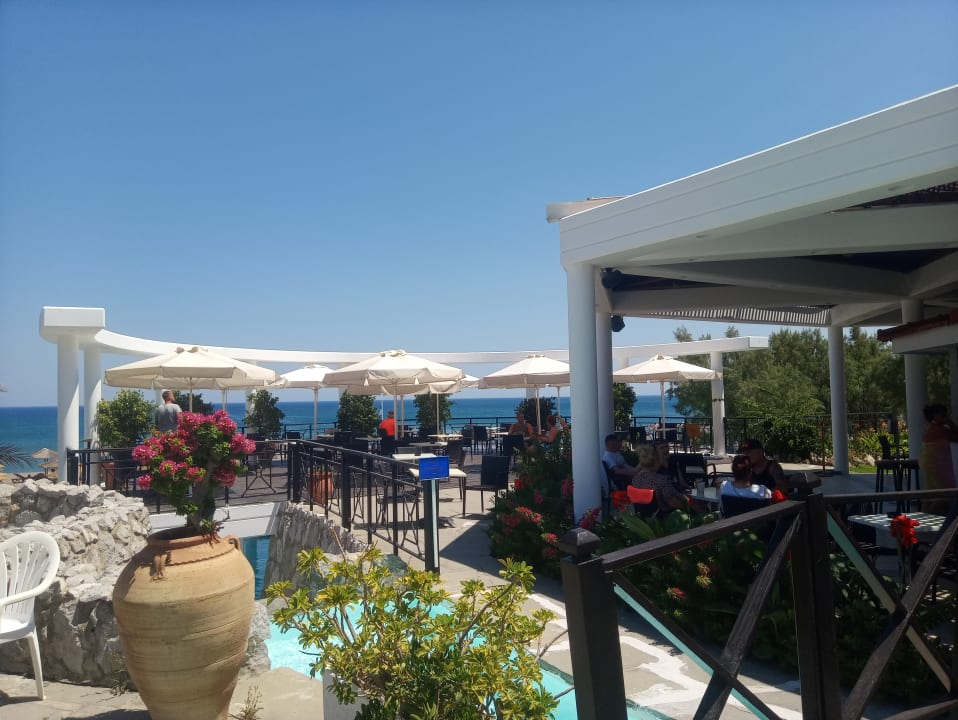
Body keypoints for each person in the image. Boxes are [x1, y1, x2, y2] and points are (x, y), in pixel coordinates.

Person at [918, 403, 958, 514]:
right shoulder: (940, 429)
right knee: (945, 493)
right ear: (934, 415)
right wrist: (950, 423)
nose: (945, 416)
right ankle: (927, 513)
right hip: (935, 463)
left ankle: (923, 514)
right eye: (943, 414)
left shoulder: (931, 427)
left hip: (930, 462)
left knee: (930, 491)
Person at [631, 443, 687, 513]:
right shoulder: (661, 480)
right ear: (656, 461)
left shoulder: (635, 479)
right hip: (663, 517)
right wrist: (687, 504)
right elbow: (674, 503)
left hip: (642, 517)